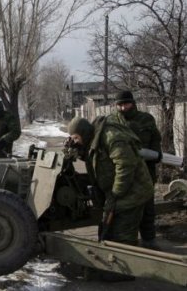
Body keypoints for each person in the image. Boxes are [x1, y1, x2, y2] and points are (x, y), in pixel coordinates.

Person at [67, 116, 154, 246]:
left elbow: (125, 165)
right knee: (107, 234)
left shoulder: (111, 137)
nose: (75, 141)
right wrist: (78, 151)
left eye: (76, 138)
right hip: (117, 194)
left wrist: (116, 193)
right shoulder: (93, 138)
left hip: (132, 193)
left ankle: (129, 260)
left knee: (122, 239)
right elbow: (97, 159)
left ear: (84, 133)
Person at [107, 91, 162, 249]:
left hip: (145, 171)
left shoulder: (146, 119)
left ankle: (149, 240)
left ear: (133, 103)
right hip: (122, 172)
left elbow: (155, 141)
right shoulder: (112, 120)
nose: (122, 108)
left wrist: (154, 155)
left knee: (147, 208)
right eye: (119, 105)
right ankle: (124, 242)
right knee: (122, 208)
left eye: (125, 104)